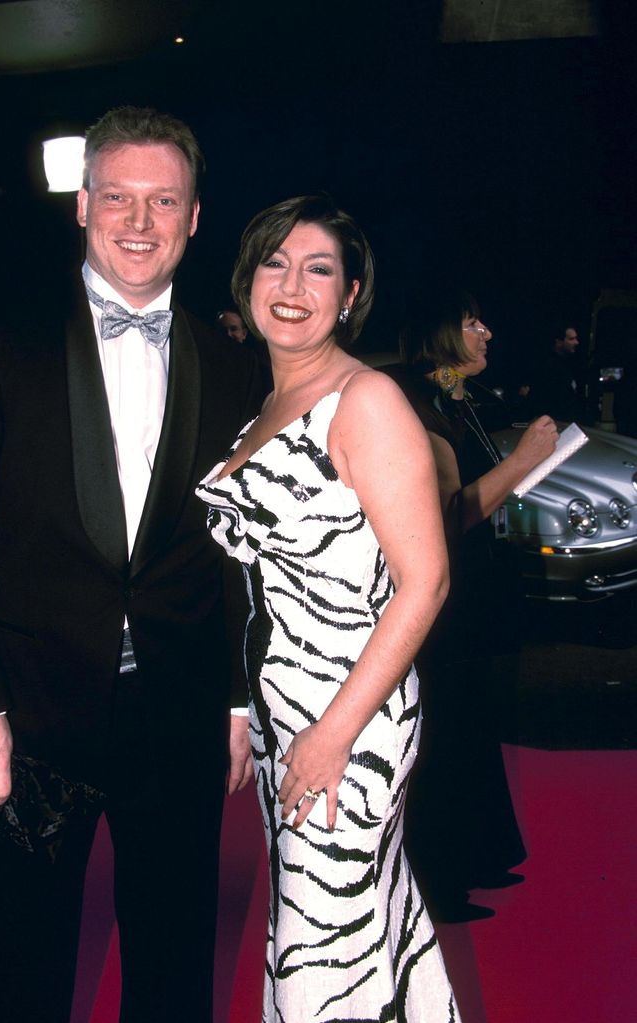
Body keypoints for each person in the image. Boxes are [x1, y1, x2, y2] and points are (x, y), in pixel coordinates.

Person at [0, 105, 264, 1023]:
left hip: (175, 709)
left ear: (194, 216)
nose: (138, 222)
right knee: (18, 954)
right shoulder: (2, 341)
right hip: (26, 715)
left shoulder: (233, 364)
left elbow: (238, 550)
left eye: (161, 201)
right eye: (118, 198)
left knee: (173, 955)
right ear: (83, 204)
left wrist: (238, 697)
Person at [196, 196, 460, 1022]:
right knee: (366, 921)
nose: (292, 285)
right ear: (246, 281)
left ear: (349, 295)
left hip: (349, 713)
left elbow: (425, 582)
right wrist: (247, 706)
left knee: (321, 946)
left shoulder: (365, 399)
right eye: (274, 262)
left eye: (319, 269)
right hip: (294, 708)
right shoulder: (268, 402)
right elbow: (258, 591)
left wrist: (332, 734)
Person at [383, 289, 558, 921]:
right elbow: (447, 515)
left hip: (474, 591)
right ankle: (438, 879)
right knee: (445, 729)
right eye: (470, 322)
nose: (486, 332)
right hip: (437, 597)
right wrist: (525, 461)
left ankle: (477, 857)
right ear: (438, 330)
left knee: (473, 719)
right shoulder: (411, 402)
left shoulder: (447, 393)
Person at [527, 323, 589, 423]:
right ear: (559, 342)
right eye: (571, 339)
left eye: (576, 338)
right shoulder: (548, 367)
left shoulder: (571, 364)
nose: (576, 342)